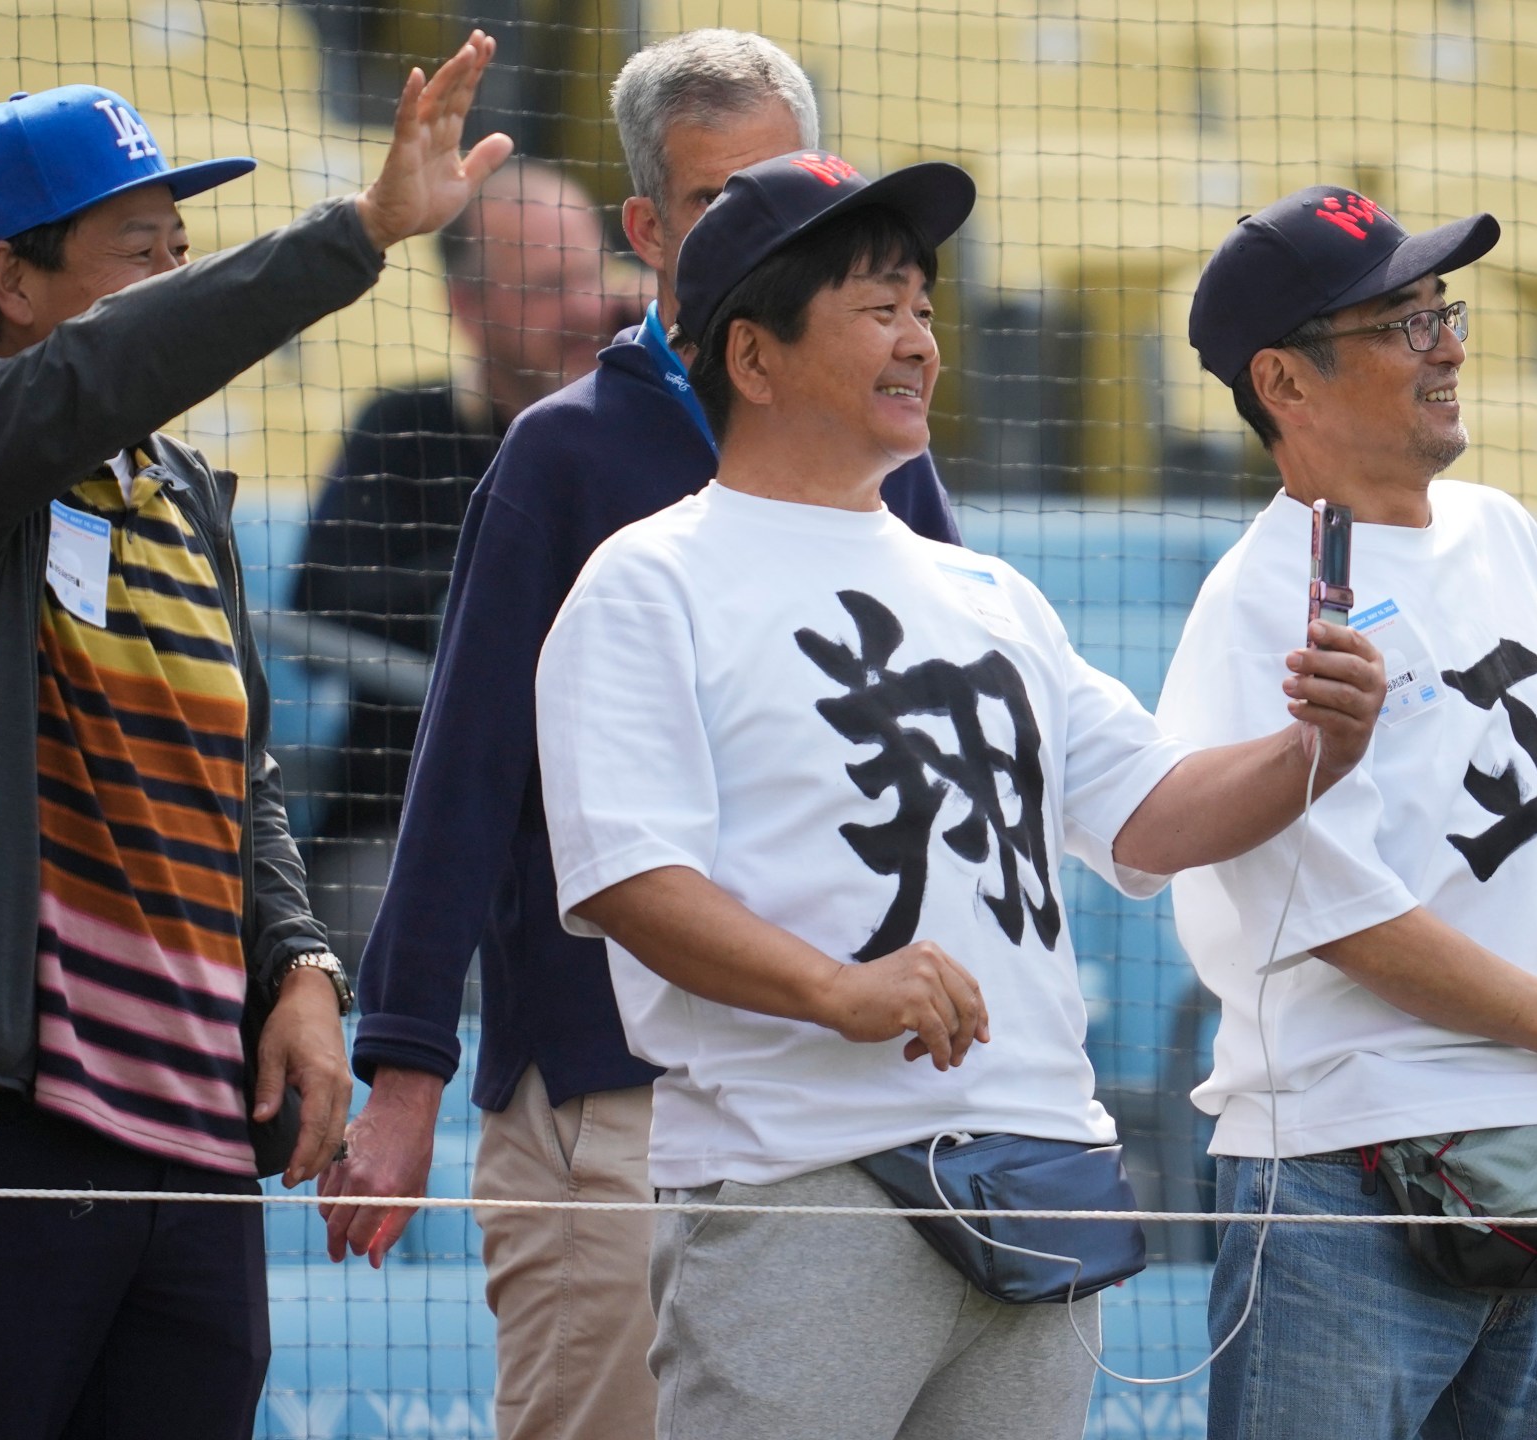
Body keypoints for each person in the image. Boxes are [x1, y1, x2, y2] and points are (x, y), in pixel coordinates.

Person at [535, 149, 1385, 1440]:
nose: (920, 343)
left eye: (923, 308)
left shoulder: (988, 591)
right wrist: (839, 989)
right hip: (802, 1179)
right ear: (753, 360)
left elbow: (1149, 811)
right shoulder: (649, 580)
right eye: (877, 309)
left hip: (1036, 1180)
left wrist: (1314, 749)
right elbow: (629, 878)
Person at [0, 38, 508, 1438]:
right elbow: (108, 372)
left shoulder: (184, 499)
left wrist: (303, 967)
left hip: (191, 1164)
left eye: (181, 248)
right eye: (140, 251)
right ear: (12, 282)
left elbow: (240, 777)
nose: (175, 281)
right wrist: (362, 232)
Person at [314, 29, 962, 1440]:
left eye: (799, 196)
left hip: (825, 1109)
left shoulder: (885, 461)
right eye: (724, 204)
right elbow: (465, 774)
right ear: (647, 229)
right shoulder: (563, 453)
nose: (772, 235)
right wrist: (406, 1074)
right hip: (607, 1098)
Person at [1159, 186, 1537, 1439]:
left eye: (1437, 311)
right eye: (1399, 324)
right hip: (1353, 1172)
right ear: (1283, 381)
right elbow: (1339, 913)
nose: (1445, 344)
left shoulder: (1505, 531)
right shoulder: (1256, 602)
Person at [287, 158, 648, 970]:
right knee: (393, 938)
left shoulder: (644, 427)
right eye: (549, 287)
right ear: (469, 309)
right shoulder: (403, 428)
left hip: (622, 824)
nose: (586, 310)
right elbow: (322, 605)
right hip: (407, 822)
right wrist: (517, 574)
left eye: (593, 277)